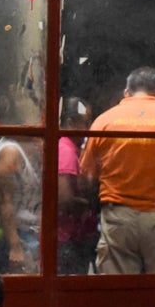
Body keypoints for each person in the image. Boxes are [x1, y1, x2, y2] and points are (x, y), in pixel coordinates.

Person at [79, 67, 155, 274]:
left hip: (117, 219)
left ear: (126, 92)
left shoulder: (103, 121)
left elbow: (87, 179)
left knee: (118, 294)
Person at [0, 136, 42, 273]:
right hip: (17, 237)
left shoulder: (28, 146)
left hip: (30, 235)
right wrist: (15, 246)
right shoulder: (10, 153)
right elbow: (5, 203)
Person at [57, 96, 98, 274]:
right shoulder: (65, 150)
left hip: (74, 235)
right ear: (70, 122)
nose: (88, 129)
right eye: (85, 123)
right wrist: (91, 203)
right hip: (68, 238)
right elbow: (64, 199)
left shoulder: (72, 148)